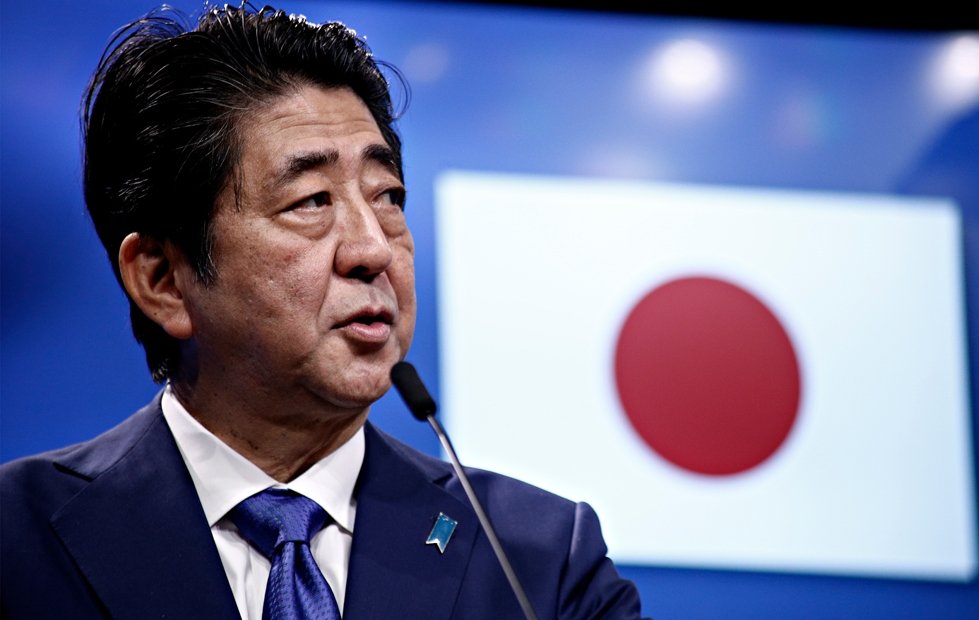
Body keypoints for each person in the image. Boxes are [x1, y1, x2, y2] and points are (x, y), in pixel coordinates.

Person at [0, 3, 643, 618]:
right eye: (310, 201)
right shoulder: (18, 540)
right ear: (164, 280)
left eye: (387, 194)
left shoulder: (539, 561)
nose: (373, 248)